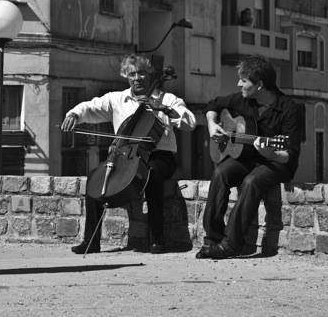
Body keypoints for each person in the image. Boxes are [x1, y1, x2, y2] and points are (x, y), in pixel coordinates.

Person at [61, 54, 196, 254]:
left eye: (141, 73)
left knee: (152, 174)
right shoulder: (117, 99)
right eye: (132, 74)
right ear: (126, 75)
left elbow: (190, 123)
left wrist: (165, 110)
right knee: (95, 178)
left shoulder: (168, 99)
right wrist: (74, 114)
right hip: (126, 155)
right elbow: (90, 107)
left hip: (161, 155)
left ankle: (157, 239)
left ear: (150, 74)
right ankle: (91, 241)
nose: (137, 78)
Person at [196, 55, 304, 259]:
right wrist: (212, 125)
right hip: (247, 158)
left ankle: (230, 245)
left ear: (260, 85)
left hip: (275, 162)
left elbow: (289, 155)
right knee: (220, 173)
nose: (239, 84)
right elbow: (212, 105)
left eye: (244, 80)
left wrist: (270, 152)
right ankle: (212, 238)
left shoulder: (289, 109)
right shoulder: (241, 100)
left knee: (252, 181)